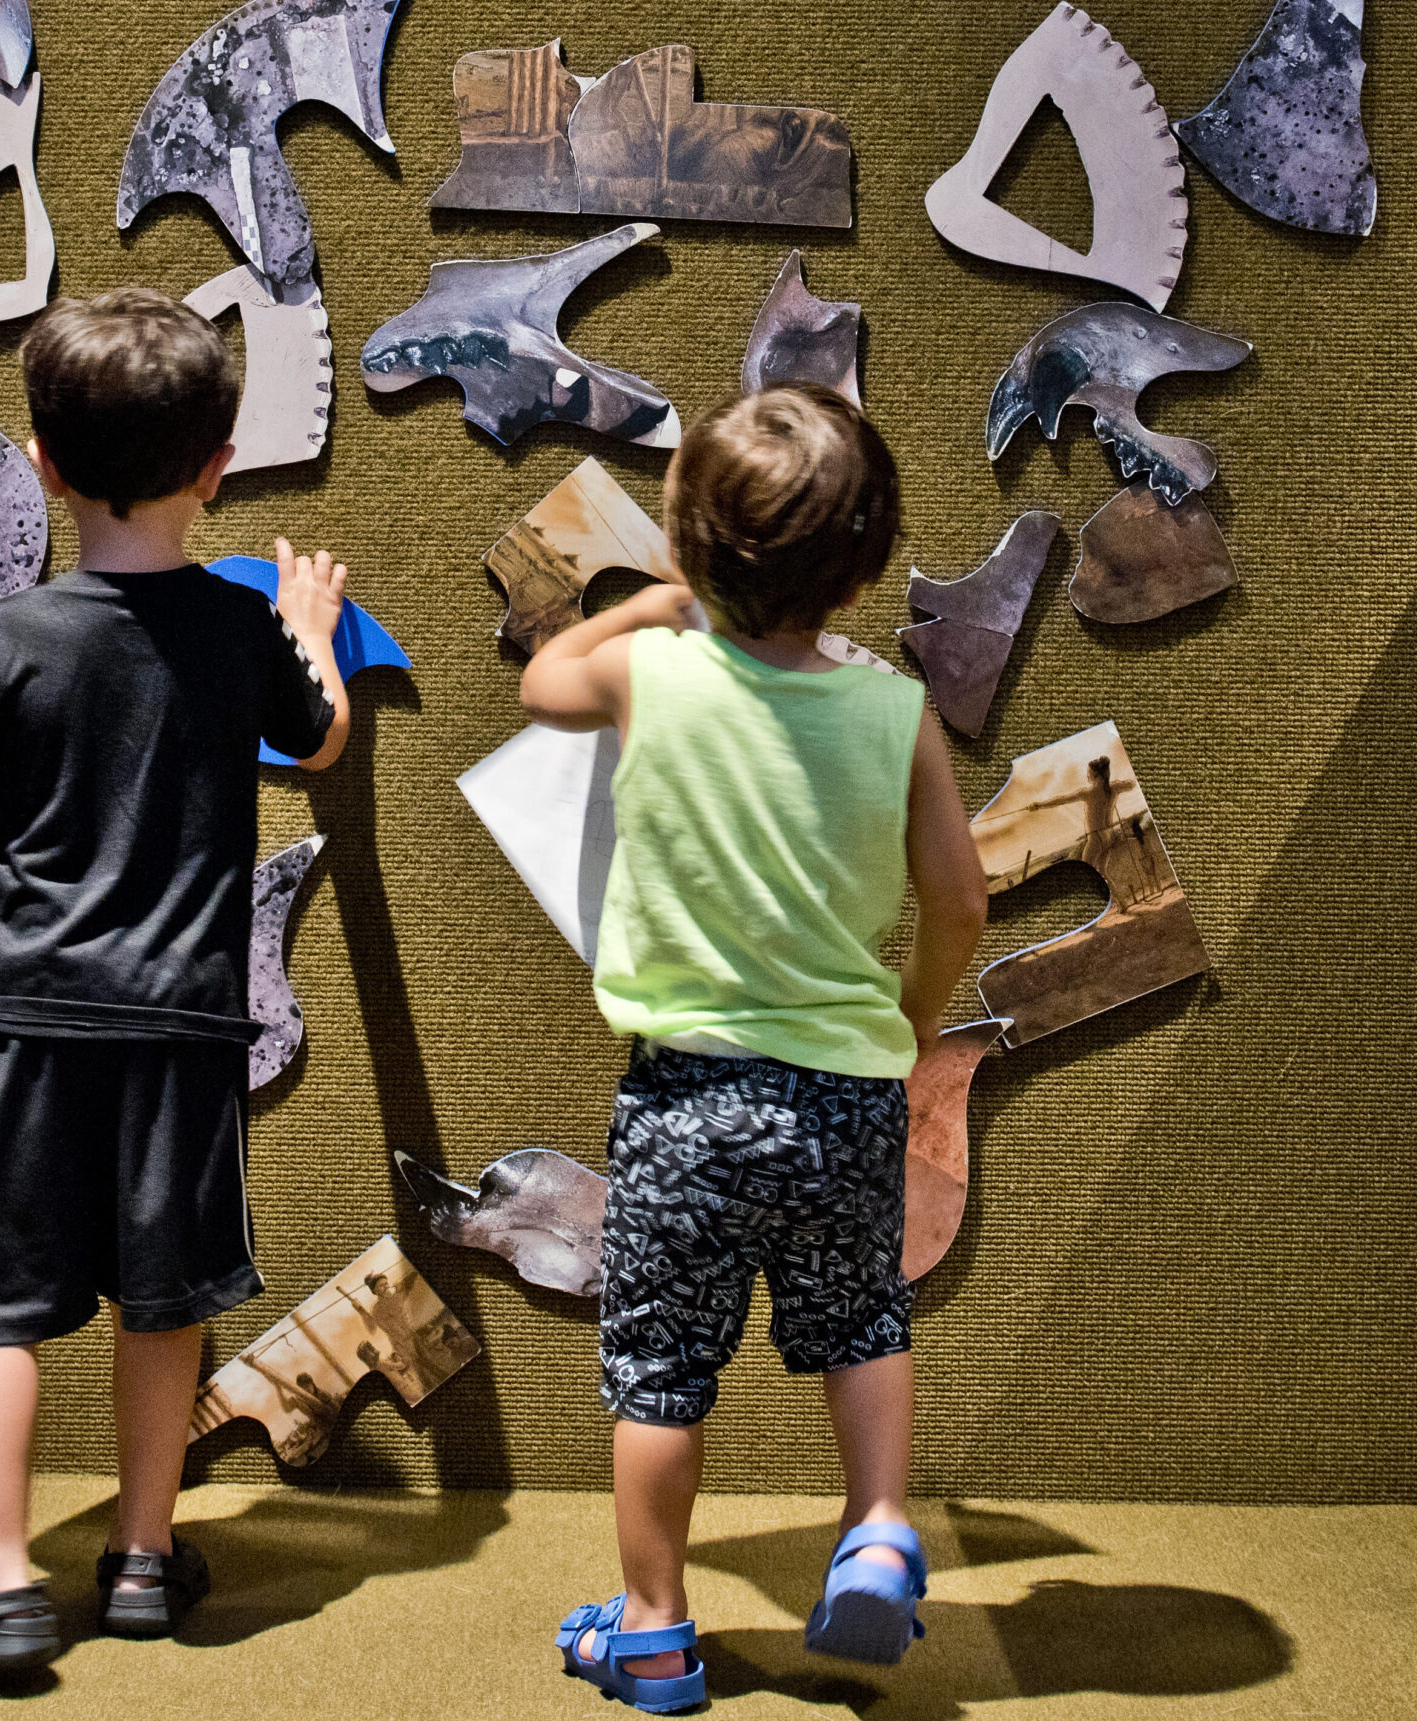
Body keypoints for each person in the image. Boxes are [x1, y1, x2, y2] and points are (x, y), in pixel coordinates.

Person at [0, 288, 351, 1669]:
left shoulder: (2, 639)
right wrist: (304, 615)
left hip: (30, 1031)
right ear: (216, 469)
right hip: (185, 1032)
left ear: (47, 463)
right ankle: (140, 1554)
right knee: (162, 1292)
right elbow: (317, 744)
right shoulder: (244, 634)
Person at [518, 386, 989, 1711]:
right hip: (847, 1099)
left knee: (662, 1367)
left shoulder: (648, 669)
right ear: (866, 559)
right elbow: (959, 901)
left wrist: (642, 607)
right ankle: (883, 1524)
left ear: (687, 540)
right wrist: (905, 1014)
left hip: (689, 1103)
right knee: (859, 1320)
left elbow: (542, 677)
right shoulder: (896, 712)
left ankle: (656, 1628)